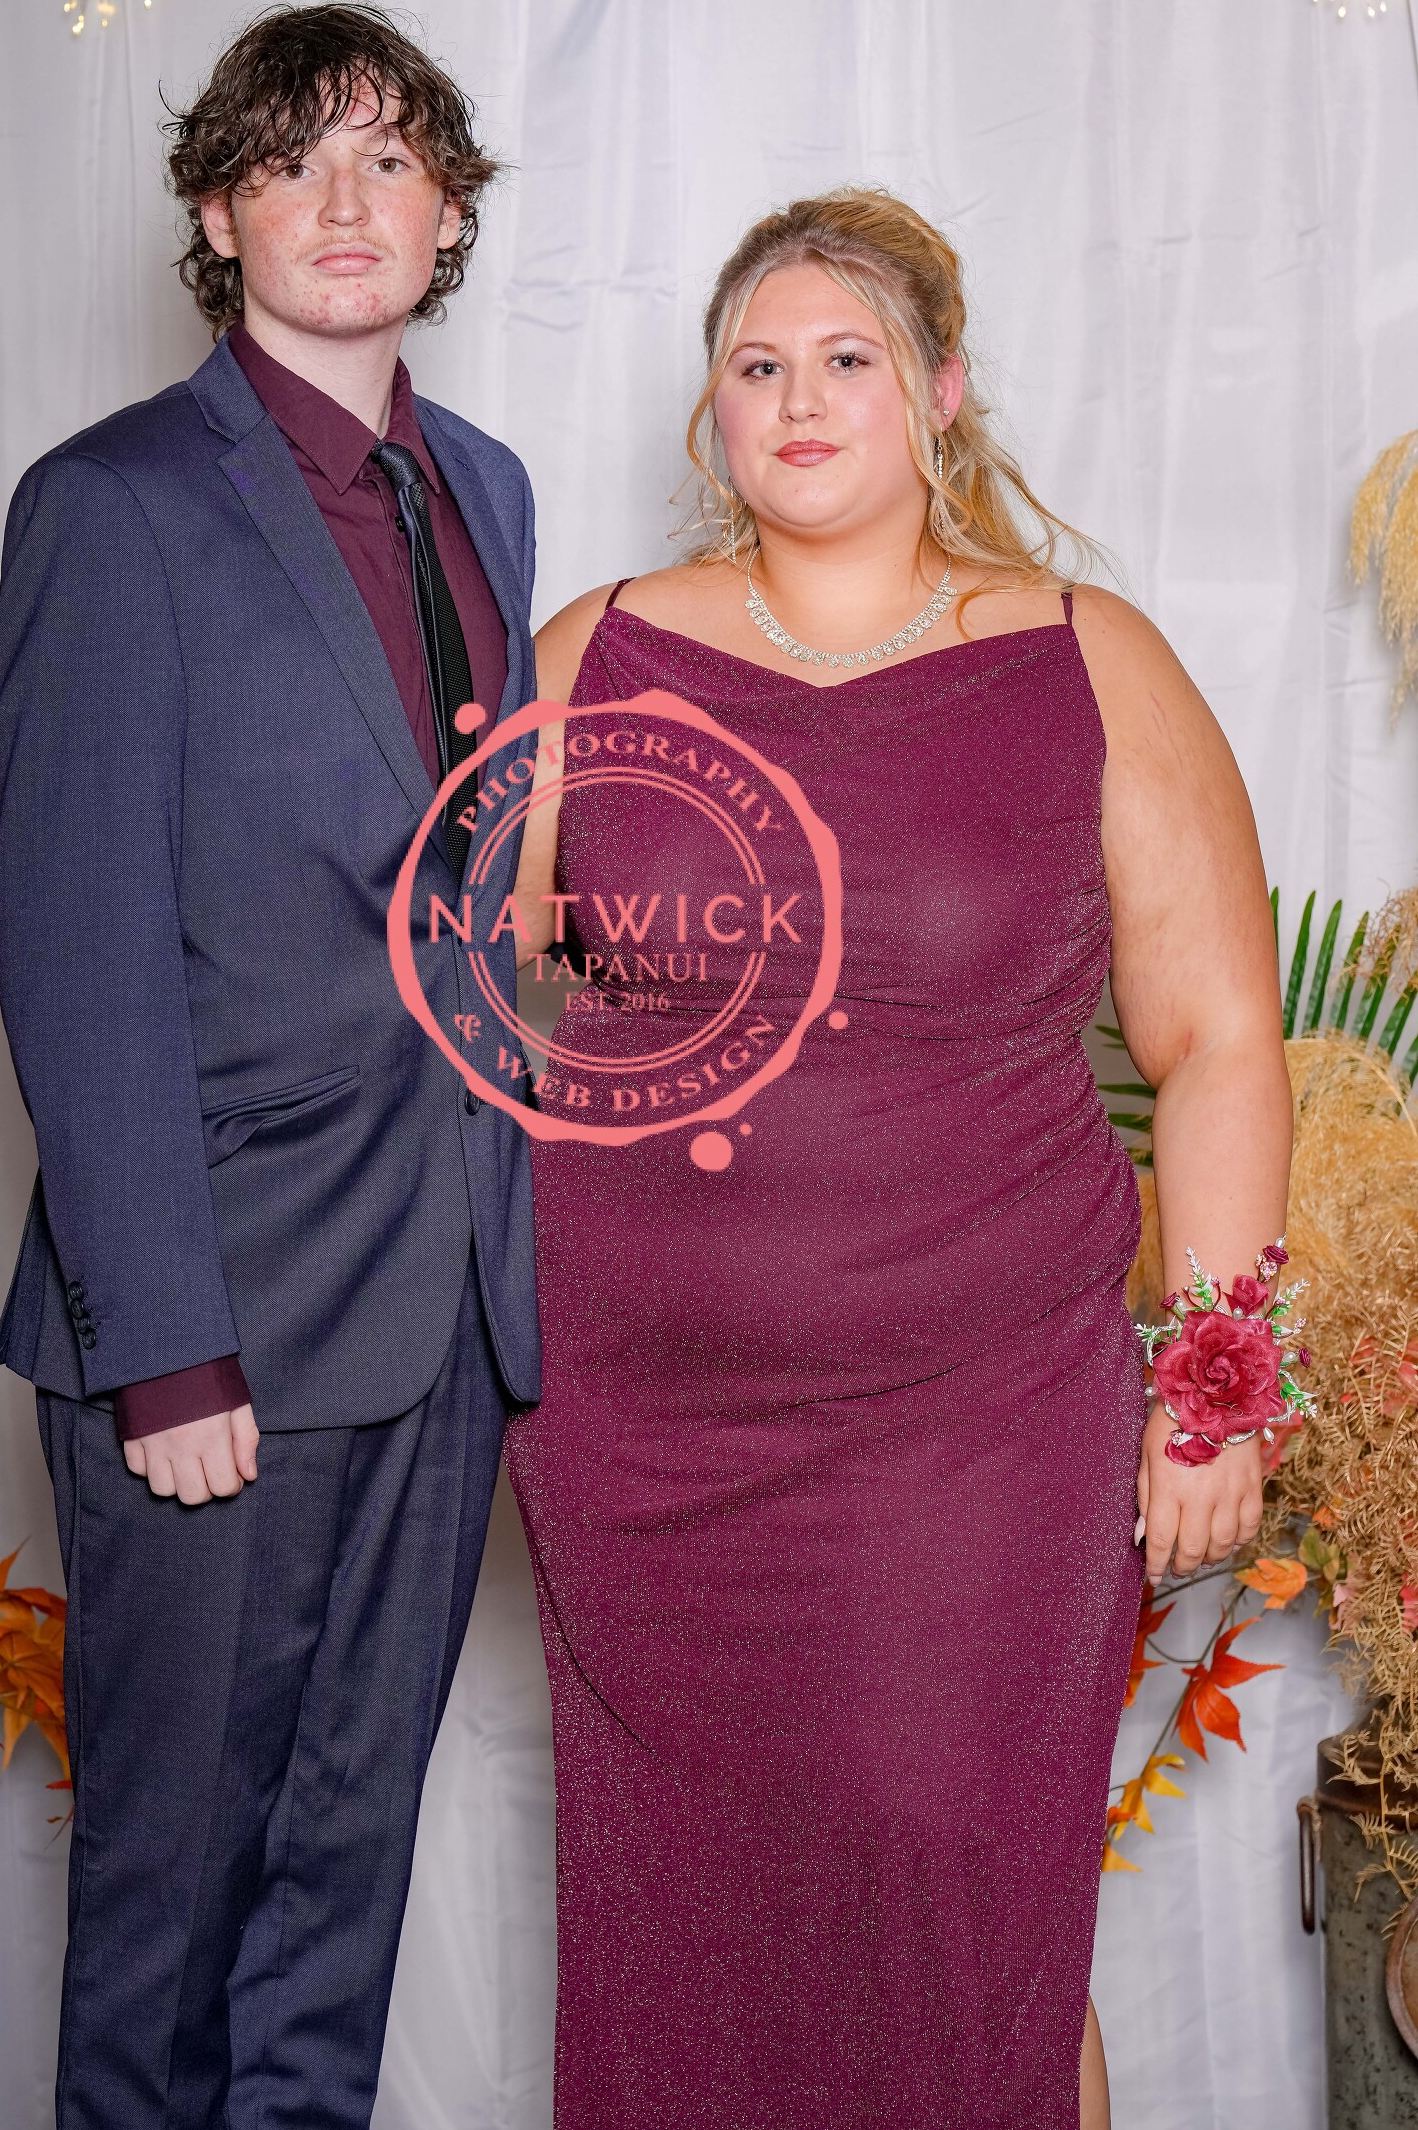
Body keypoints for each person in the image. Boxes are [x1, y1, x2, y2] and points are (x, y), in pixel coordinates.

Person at [506, 189, 1290, 2129]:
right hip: (643, 1449)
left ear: (938, 391)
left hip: (976, 1440)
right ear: (710, 411)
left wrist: (1215, 1395)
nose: (796, 401)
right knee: (688, 1940)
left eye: (844, 358)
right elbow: (456, 999)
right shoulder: (595, 654)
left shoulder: (1084, 660)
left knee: (966, 1921)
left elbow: (1215, 1044)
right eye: (755, 365)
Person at [0, 2, 539, 2130]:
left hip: (446, 1309)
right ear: (218, 213)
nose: (344, 201)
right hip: (218, 1321)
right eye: (291, 160)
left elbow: (472, 891)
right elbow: (78, 948)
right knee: (171, 1917)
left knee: (341, 1899)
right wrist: (163, 1348)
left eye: (388, 158)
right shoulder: (111, 506)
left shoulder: (483, 490)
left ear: (448, 213)